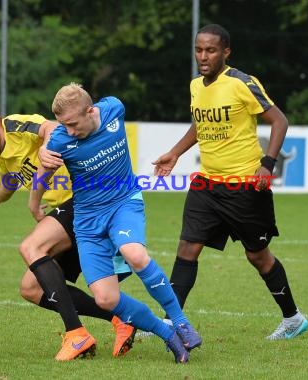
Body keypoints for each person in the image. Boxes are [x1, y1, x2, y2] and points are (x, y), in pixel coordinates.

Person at [152, 24, 308, 340]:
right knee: (187, 247)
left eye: (210, 50)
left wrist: (267, 165)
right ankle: (171, 321)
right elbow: (200, 124)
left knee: (258, 256)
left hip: (245, 187)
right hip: (207, 184)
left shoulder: (241, 83)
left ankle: (293, 319)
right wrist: (175, 153)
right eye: (199, 49)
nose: (203, 56)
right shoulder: (197, 86)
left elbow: (279, 120)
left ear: (226, 52)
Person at [0, 91, 136, 360]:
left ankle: (76, 335)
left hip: (84, 199)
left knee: (30, 246)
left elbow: (51, 127)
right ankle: (122, 319)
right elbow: (10, 181)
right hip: (70, 211)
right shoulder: (4, 154)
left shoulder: (15, 125)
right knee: (31, 288)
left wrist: (44, 147)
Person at [31, 83, 202, 363]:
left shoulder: (114, 108)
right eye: (64, 125)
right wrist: (34, 201)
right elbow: (45, 167)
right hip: (87, 221)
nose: (70, 130)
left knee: (134, 253)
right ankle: (168, 334)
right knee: (105, 299)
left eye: (73, 123)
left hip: (124, 202)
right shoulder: (61, 139)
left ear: (91, 111)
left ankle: (180, 321)